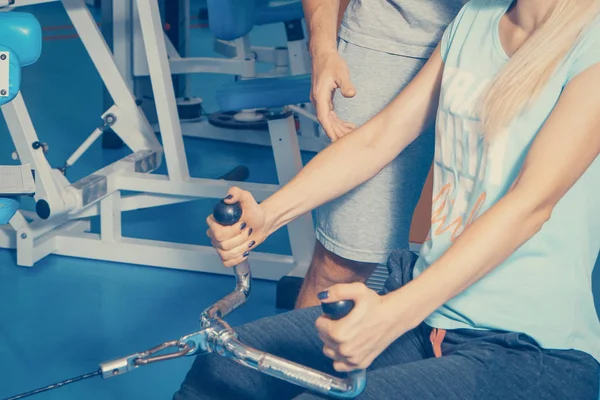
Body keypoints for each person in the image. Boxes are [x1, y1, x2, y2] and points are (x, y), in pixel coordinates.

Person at [174, 0, 600, 398]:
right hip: (430, 324)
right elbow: (377, 140)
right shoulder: (474, 18)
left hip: (528, 348)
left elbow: (530, 204)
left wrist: (392, 314)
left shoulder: (590, 40)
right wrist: (267, 216)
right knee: (222, 371)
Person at [294, 0, 468, 308]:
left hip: (514, 43)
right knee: (342, 264)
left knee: (501, 260)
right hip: (391, 37)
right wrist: (323, 48)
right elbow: (372, 145)